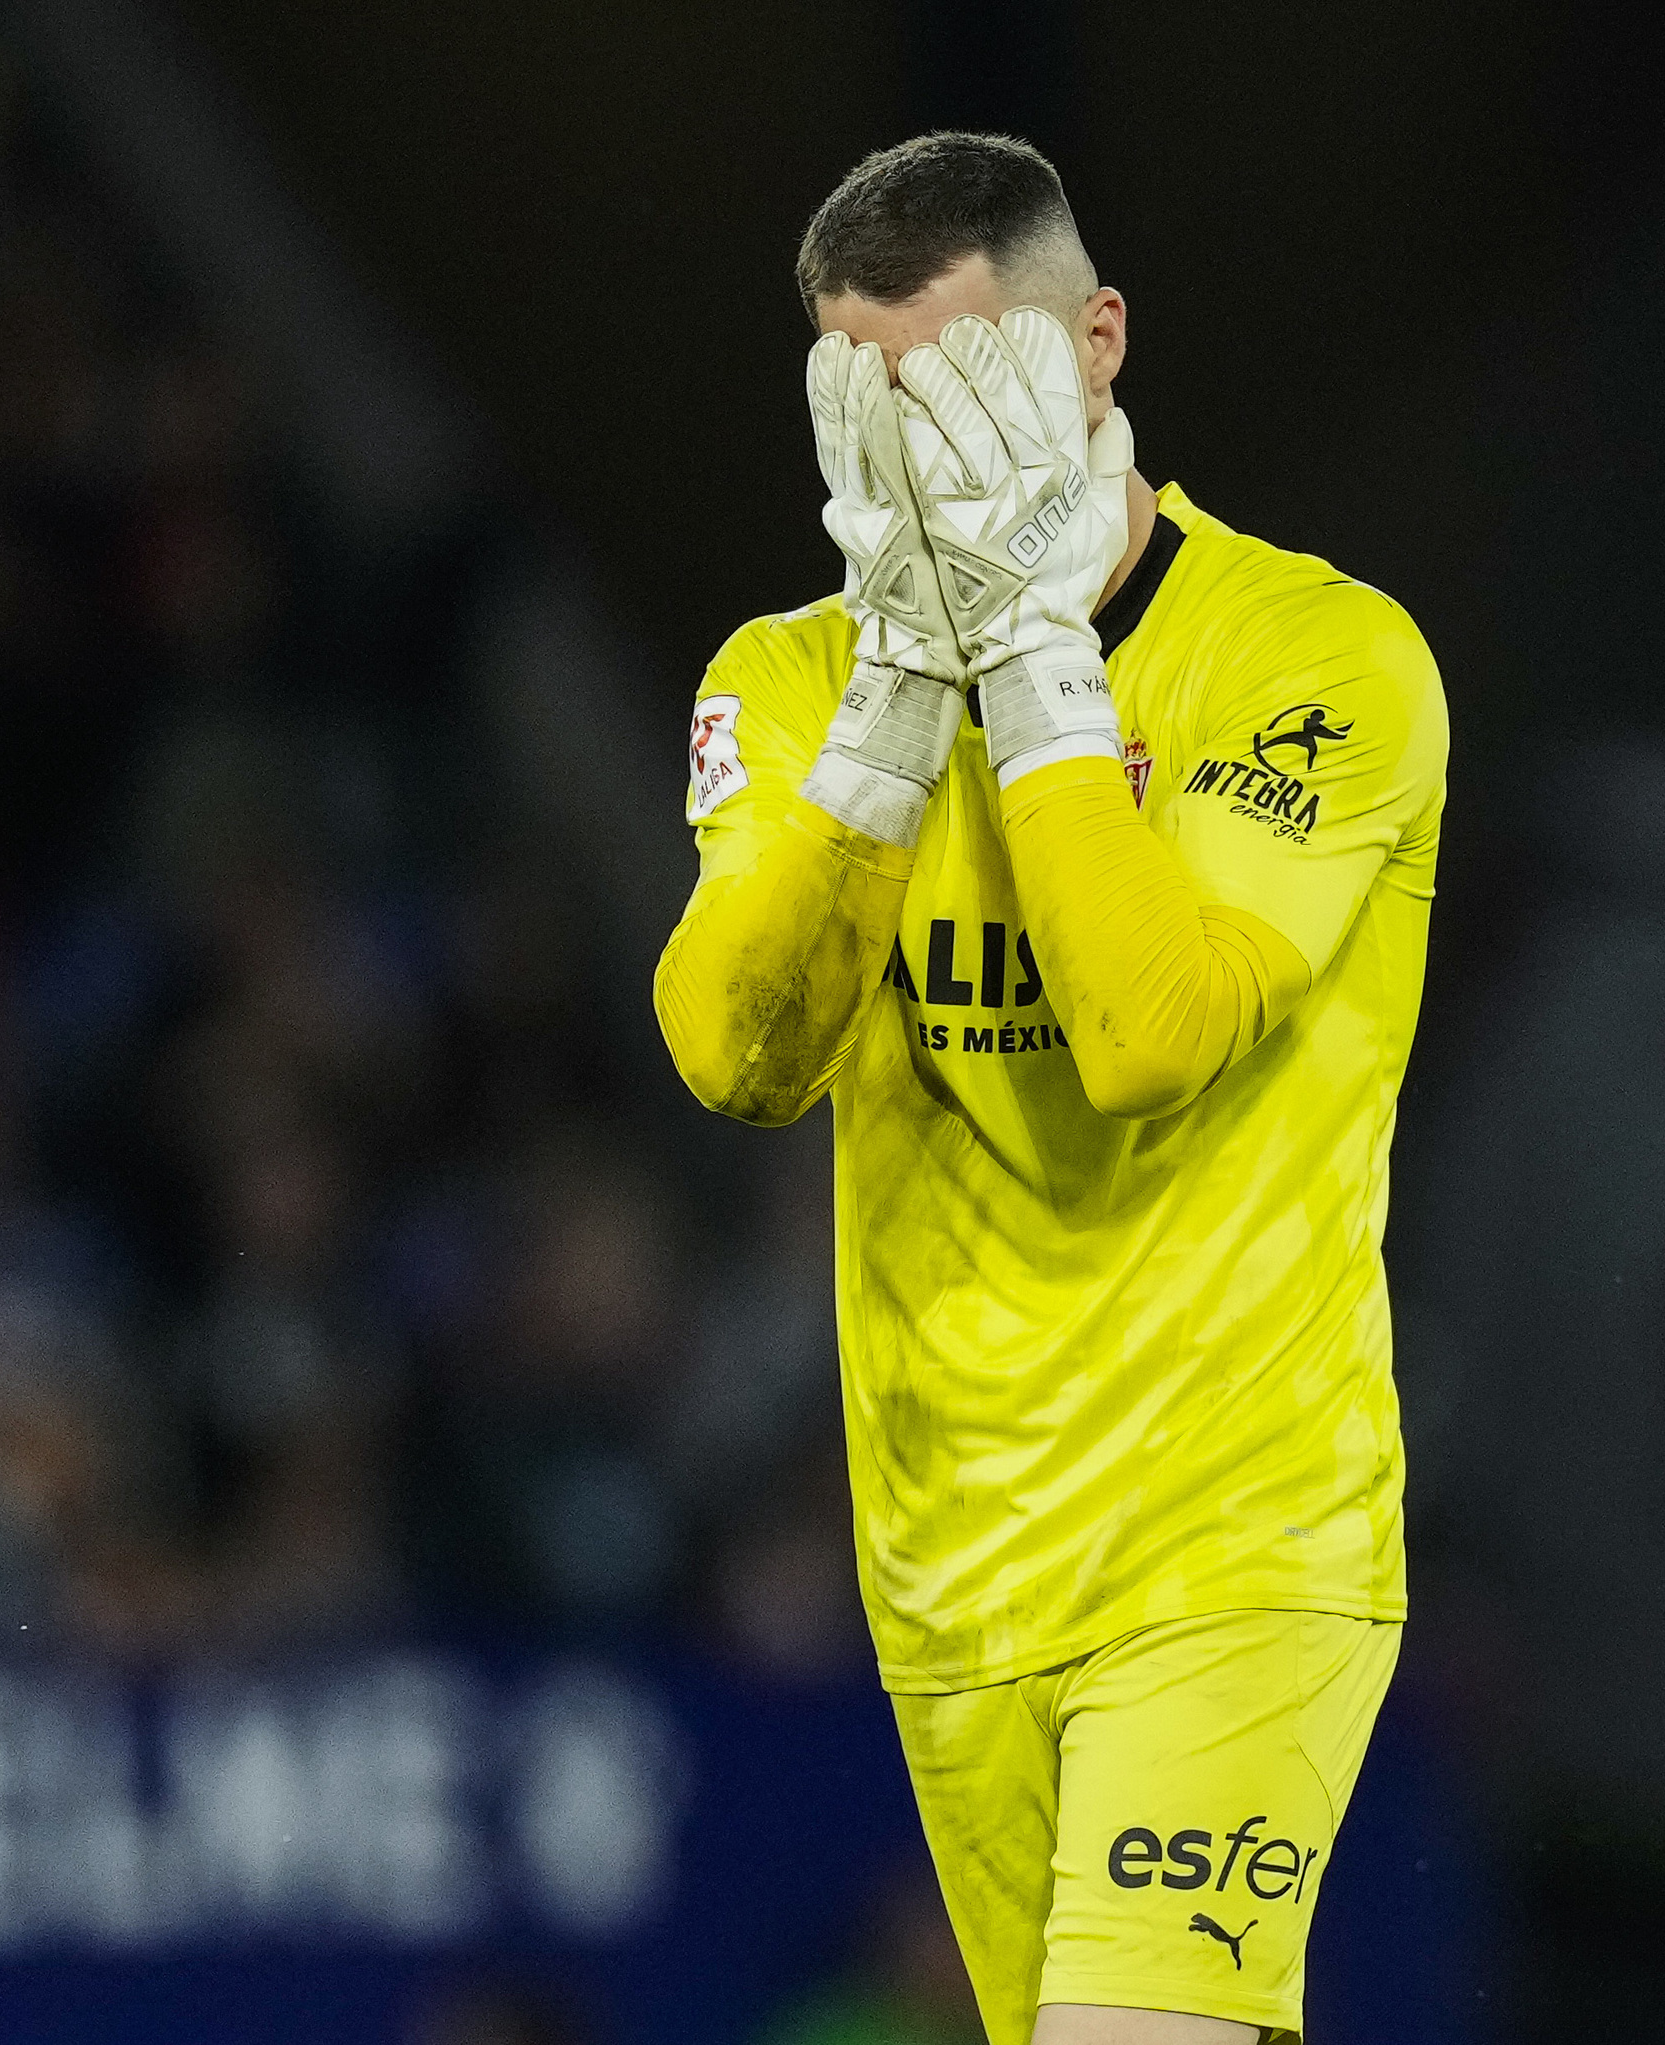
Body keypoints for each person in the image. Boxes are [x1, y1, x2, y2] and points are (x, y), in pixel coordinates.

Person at [654, 133, 1448, 2045]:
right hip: (953, 1574)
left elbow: (1149, 1031)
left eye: (971, 380)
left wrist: (1024, 648)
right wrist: (900, 703)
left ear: (1096, 343)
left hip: (1237, 1538)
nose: (931, 448)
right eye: (876, 396)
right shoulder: (786, 682)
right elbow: (740, 1056)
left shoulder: (1316, 661)